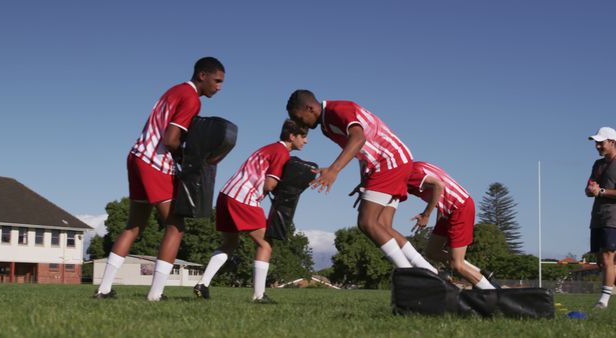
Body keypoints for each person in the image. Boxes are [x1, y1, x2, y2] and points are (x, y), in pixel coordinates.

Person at [94, 57, 225, 301]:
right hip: (154, 161)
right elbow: (171, 138)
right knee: (176, 227)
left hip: (136, 155)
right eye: (217, 81)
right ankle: (155, 294)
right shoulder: (192, 99)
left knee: (134, 225)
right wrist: (189, 157)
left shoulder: (174, 90)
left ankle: (104, 289)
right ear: (202, 75)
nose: (219, 87)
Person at [285, 90, 437, 273]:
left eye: (298, 116)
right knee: (383, 226)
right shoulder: (326, 126)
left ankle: (411, 274)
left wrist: (334, 170)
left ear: (309, 108)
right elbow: (359, 150)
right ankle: (429, 272)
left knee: (367, 222)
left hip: (388, 161)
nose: (299, 122)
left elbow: (358, 138)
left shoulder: (337, 110)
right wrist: (365, 179)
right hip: (394, 161)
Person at [193, 119, 308, 303]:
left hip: (226, 194)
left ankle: (202, 284)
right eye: (303, 136)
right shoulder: (281, 153)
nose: (306, 141)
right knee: (265, 244)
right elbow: (269, 185)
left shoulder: (268, 148)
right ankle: (259, 295)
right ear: (292, 136)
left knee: (229, 243)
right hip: (243, 199)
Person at [406, 161, 496, 289]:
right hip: (447, 211)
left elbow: (439, 185)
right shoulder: (417, 165)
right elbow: (440, 195)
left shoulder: (410, 174)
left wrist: (425, 215)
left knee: (457, 265)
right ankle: (482, 273)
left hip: (460, 208)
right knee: (432, 252)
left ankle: (492, 292)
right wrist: (439, 223)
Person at [585, 126, 616, 309]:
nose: (597, 146)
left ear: (612, 142)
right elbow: (589, 189)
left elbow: (601, 191)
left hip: (613, 217)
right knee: (601, 261)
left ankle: (602, 302)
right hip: (597, 216)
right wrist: (591, 190)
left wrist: (601, 191)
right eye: (596, 143)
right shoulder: (597, 165)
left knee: (607, 257)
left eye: (601, 143)